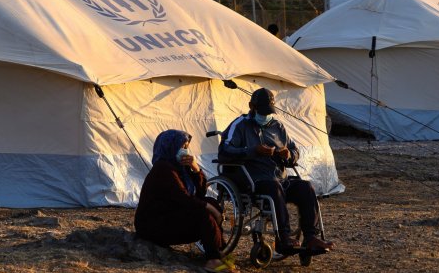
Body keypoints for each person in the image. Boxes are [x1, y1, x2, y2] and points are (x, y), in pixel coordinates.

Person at [218, 88, 335, 257]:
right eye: (263, 112)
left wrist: (289, 155)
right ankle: (283, 238)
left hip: (278, 178)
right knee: (274, 188)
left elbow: (294, 150)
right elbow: (224, 152)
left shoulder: (277, 125)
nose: (266, 116)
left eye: (269, 112)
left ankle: (311, 237)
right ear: (252, 106)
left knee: (306, 188)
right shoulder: (240, 125)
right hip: (252, 179)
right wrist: (253, 150)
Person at [134, 129, 236, 273]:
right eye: (182, 147)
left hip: (169, 214)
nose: (185, 151)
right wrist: (211, 210)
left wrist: (195, 169)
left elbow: (200, 193)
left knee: (210, 202)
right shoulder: (163, 168)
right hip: (152, 224)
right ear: (170, 147)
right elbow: (183, 198)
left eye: (186, 147)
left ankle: (220, 250)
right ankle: (213, 260)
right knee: (204, 213)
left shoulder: (180, 168)